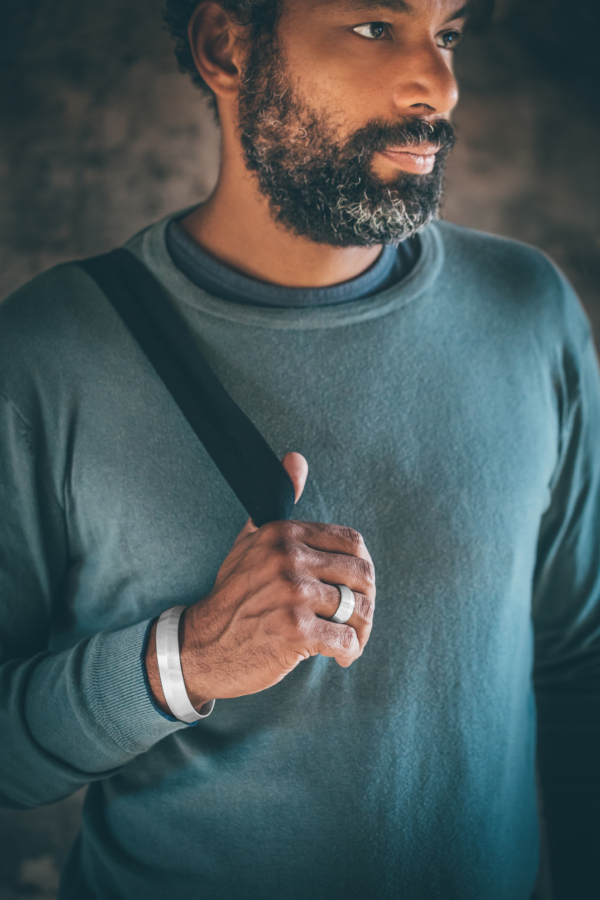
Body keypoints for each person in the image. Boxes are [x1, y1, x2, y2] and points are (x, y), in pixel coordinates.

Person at [0, 0, 598, 897]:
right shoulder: (48, 352)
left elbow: (583, 663)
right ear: (226, 47)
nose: (438, 86)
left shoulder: (529, 310)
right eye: (375, 27)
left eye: (447, 34)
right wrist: (186, 659)